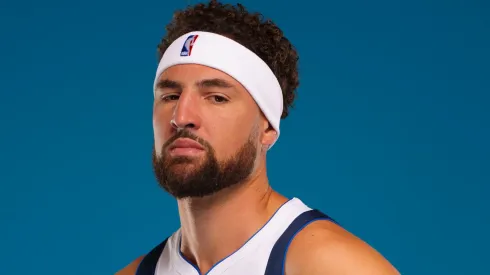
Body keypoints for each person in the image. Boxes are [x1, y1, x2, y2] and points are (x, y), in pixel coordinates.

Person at [117, 1, 400, 274]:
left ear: (267, 128)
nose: (181, 117)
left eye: (216, 97)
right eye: (170, 96)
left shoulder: (331, 265)